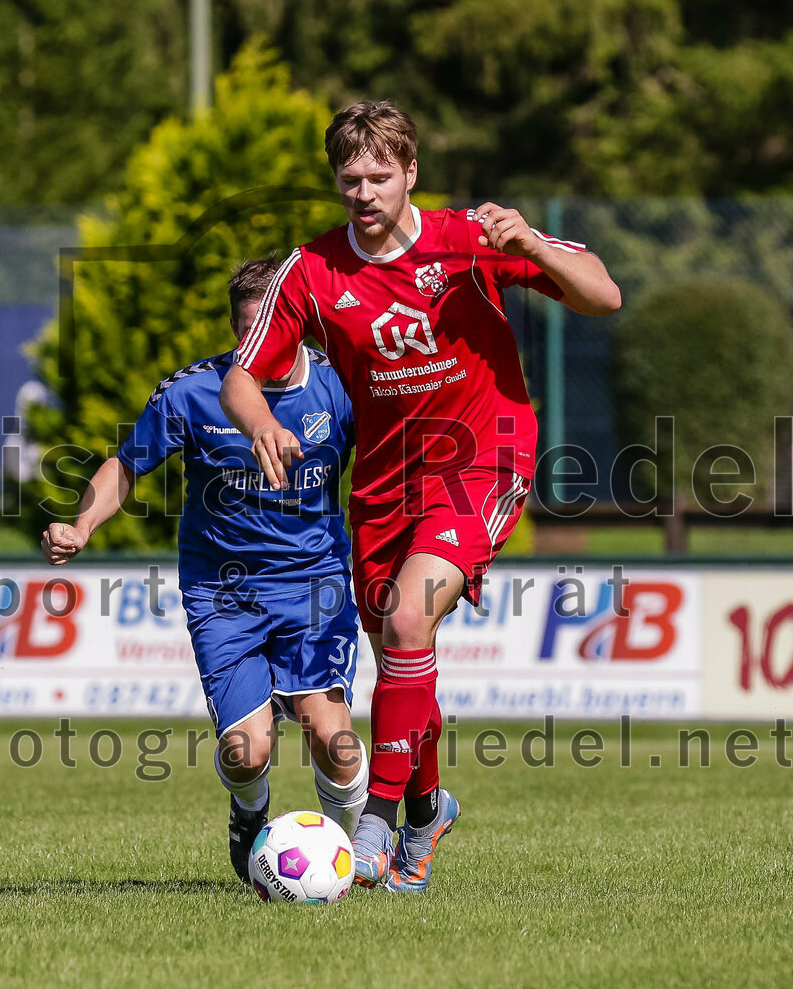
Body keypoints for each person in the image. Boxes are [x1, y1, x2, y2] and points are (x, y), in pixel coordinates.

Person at [221, 101, 622, 892]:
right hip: (380, 485)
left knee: (409, 618)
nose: (363, 193)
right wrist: (260, 416)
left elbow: (602, 296)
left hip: (484, 459)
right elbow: (240, 374)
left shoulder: (471, 238)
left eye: (379, 176)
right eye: (349, 180)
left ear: (411, 173)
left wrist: (532, 241)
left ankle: (376, 820)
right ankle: (428, 806)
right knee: (403, 655)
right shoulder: (313, 270)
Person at [42, 258, 368, 884]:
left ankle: (345, 861)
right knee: (248, 752)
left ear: (298, 324)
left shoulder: (338, 388)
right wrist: (82, 524)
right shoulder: (192, 392)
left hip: (315, 585)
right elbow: (128, 465)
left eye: (273, 328)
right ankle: (249, 813)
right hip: (224, 593)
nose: (261, 344)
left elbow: (387, 466)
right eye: (249, 332)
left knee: (335, 742)